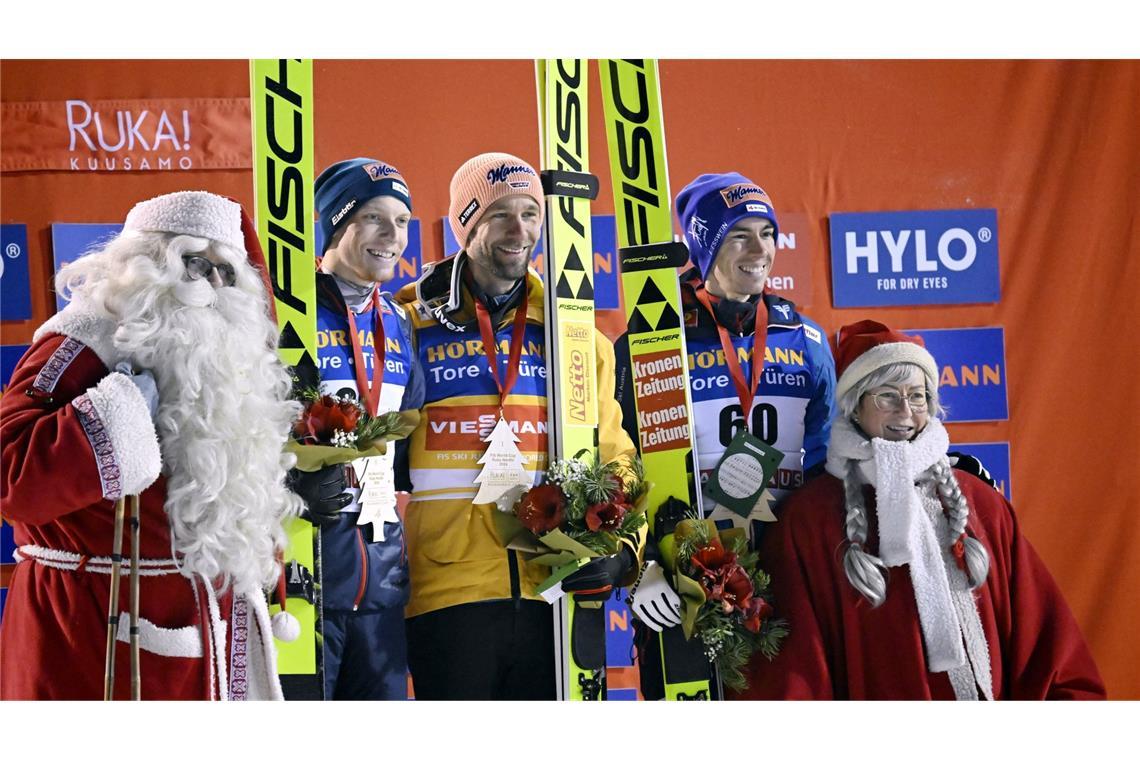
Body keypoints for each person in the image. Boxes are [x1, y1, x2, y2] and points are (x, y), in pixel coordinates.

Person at [0, 191, 302, 700]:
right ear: (142, 263)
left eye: (224, 272)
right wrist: (115, 414)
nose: (207, 284)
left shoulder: (229, 354)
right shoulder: (83, 342)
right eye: (193, 262)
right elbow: (11, 475)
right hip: (92, 622)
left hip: (206, 618)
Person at [732, 320, 1106, 699]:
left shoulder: (981, 505)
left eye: (917, 396)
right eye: (887, 396)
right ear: (854, 407)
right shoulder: (809, 522)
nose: (905, 412)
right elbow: (793, 675)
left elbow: (1045, 643)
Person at [395, 151, 638, 699]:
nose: (519, 230)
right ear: (465, 224)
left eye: (531, 214)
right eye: (501, 214)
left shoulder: (572, 332)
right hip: (446, 590)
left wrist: (623, 550)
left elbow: (614, 455)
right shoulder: (407, 324)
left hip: (551, 588)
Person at [614, 172, 836, 698]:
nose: (760, 249)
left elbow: (834, 460)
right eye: (739, 234)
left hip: (788, 571)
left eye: (767, 232)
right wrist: (640, 564)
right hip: (685, 571)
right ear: (704, 243)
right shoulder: (653, 339)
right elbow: (618, 462)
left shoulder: (803, 339)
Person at [287, 158, 425, 700]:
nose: (393, 236)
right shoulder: (283, 316)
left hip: (382, 588)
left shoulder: (397, 323)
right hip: (300, 585)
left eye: (403, 220)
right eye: (373, 217)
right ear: (336, 223)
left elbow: (406, 449)